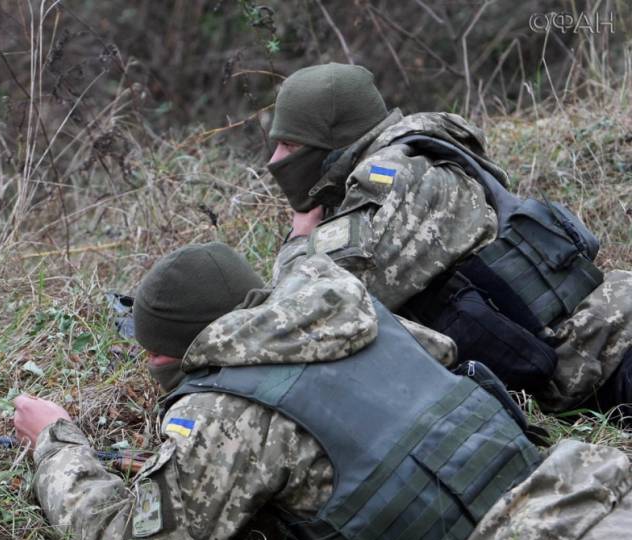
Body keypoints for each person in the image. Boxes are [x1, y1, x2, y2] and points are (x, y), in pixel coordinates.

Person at [13, 242, 632, 540]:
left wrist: (56, 441)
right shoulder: (367, 317)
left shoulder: (223, 413)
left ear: (167, 354)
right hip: (592, 490)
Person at [265, 62, 632, 415]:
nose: (274, 160)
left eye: (291, 146)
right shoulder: (416, 157)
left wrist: (299, 240)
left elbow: (315, 308)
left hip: (609, 351)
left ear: (336, 141)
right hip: (595, 350)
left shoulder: (391, 177)